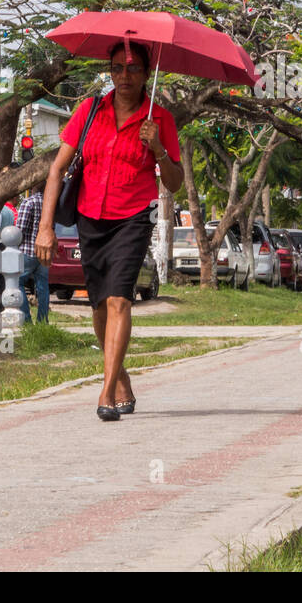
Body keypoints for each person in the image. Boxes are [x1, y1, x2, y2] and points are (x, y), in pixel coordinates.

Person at [36, 41, 183, 422]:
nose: (124, 76)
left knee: (120, 299)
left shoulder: (160, 120)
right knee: (99, 304)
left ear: (147, 74)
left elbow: (175, 182)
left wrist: (159, 150)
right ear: (110, 71)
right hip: (90, 217)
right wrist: (46, 227)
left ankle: (104, 391)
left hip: (135, 216)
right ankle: (121, 377)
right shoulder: (89, 111)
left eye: (133, 69)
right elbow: (56, 170)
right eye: (118, 68)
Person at [15, 188, 50, 324]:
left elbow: (20, 230)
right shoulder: (50, 204)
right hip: (45, 252)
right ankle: (42, 321)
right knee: (43, 286)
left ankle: (26, 319)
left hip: (27, 250)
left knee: (17, 283)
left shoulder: (29, 202)